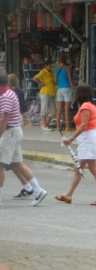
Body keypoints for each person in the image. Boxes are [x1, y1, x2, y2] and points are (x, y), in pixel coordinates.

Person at [0, 69, 48, 207]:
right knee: (17, 163)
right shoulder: (7, 93)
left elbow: (4, 119)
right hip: (14, 131)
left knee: (0, 165)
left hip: (10, 132)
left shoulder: (6, 96)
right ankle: (38, 190)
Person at [54, 84, 96, 206]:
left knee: (93, 169)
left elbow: (83, 125)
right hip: (87, 139)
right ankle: (68, 195)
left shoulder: (85, 107)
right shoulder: (90, 105)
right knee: (78, 169)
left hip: (88, 139)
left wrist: (71, 138)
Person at [32, 61, 57, 132]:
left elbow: (54, 81)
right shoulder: (43, 72)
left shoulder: (51, 72)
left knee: (53, 110)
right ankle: (45, 125)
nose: (51, 67)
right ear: (46, 66)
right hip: (45, 92)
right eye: (50, 65)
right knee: (44, 109)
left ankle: (46, 124)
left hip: (51, 93)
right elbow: (34, 78)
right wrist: (41, 83)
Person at [55, 53, 76, 131]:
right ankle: (67, 126)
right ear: (65, 59)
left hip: (59, 89)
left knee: (59, 108)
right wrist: (73, 89)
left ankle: (58, 126)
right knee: (67, 108)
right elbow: (70, 79)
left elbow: (55, 81)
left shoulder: (56, 69)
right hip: (67, 88)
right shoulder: (68, 68)